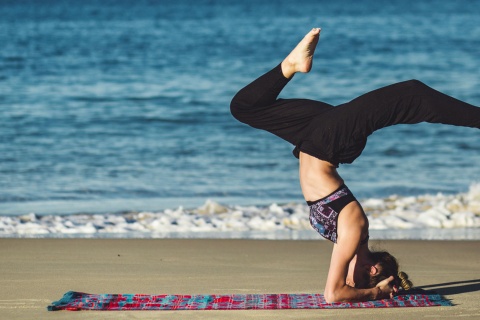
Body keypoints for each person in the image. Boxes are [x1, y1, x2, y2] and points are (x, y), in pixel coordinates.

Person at [230, 28, 480, 303]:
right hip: (329, 143)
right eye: (354, 282)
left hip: (312, 136)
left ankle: (290, 66)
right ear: (371, 269)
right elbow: (334, 294)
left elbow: (336, 291)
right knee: (412, 93)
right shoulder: (354, 230)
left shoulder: (345, 242)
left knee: (244, 107)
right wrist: (378, 291)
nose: (349, 284)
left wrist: (388, 285)